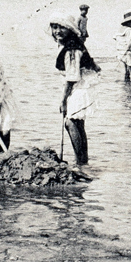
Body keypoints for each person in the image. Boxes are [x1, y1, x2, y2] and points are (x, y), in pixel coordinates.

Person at [48, 12, 101, 165]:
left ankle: (80, 162)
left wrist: (63, 100)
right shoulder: (72, 44)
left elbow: (71, 78)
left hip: (80, 87)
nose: (57, 31)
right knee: (77, 123)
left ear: (70, 30)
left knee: (70, 122)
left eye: (62, 28)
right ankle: (83, 161)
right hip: (82, 86)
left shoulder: (71, 49)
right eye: (54, 28)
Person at [114, 10, 131, 82]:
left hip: (120, 52)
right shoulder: (130, 30)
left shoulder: (120, 29)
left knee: (125, 71)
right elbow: (130, 42)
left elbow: (115, 38)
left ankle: (126, 85)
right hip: (128, 52)